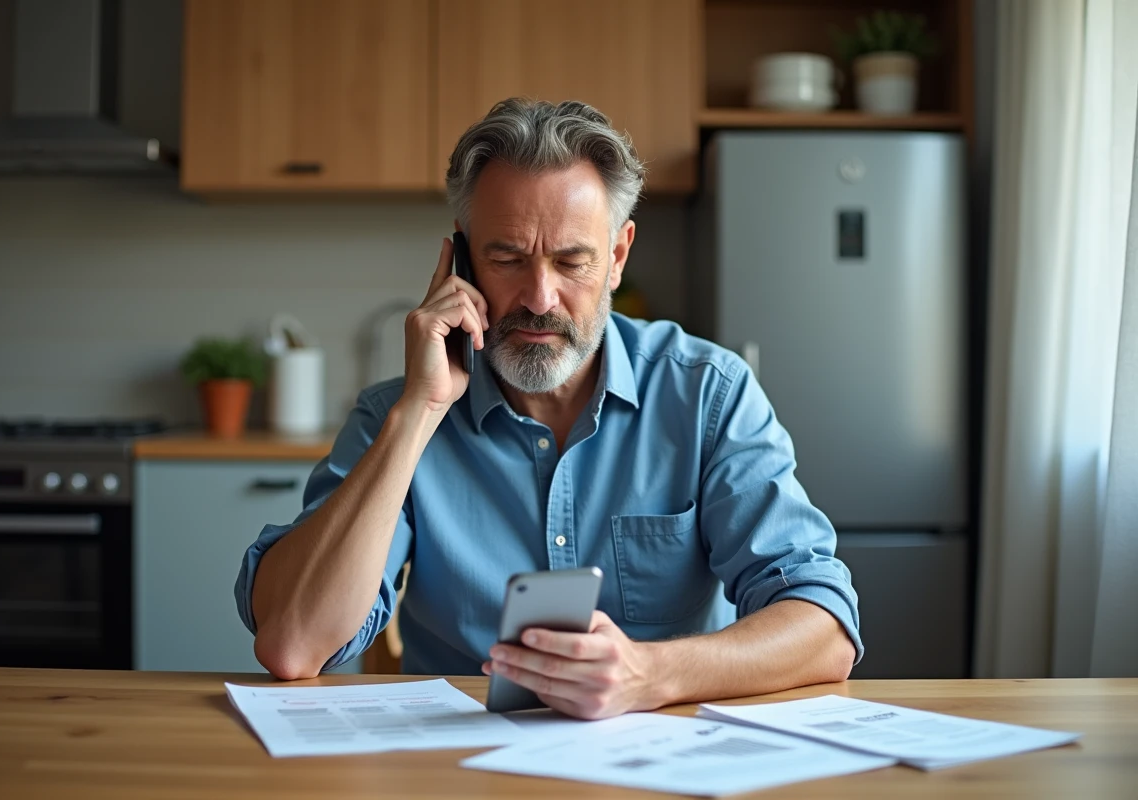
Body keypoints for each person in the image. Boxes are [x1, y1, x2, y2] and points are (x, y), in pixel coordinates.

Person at [236, 98, 861, 720]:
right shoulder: (392, 417)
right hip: (456, 757)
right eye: (507, 259)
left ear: (617, 258)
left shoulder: (707, 394)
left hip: (664, 755)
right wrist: (419, 414)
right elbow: (293, 645)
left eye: (571, 261)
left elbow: (824, 626)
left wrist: (650, 675)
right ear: (462, 261)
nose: (539, 298)